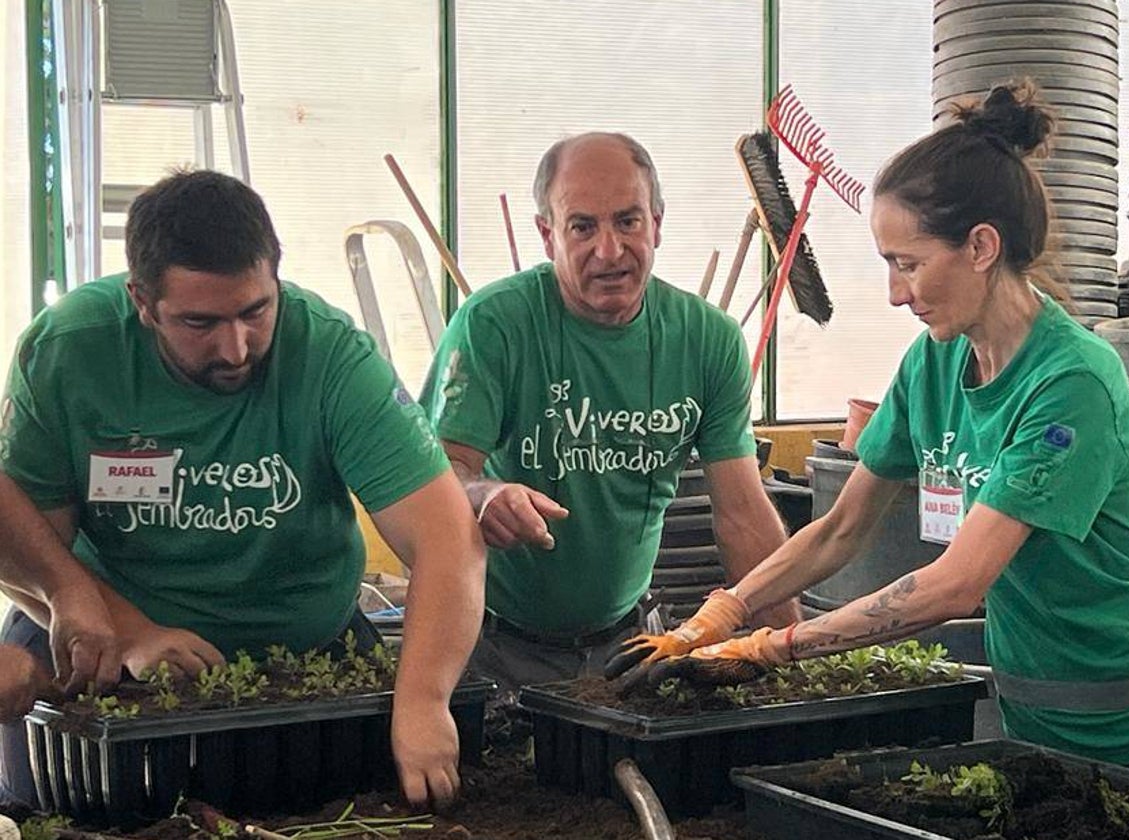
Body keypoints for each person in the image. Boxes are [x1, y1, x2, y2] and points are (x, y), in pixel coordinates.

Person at [608, 83, 1129, 783]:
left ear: (981, 246)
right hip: (1033, 727)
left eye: (908, 264)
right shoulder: (935, 361)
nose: (895, 293)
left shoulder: (1071, 383)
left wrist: (771, 646)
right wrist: (720, 613)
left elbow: (954, 585)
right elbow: (838, 530)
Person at [0, 170, 485, 809]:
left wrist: (422, 701)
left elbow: (449, 540)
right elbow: (20, 538)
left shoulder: (331, 356)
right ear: (142, 301)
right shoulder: (71, 350)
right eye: (199, 323)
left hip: (306, 659)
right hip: (109, 666)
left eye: (255, 311)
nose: (235, 348)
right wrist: (127, 629)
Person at [419, 131, 800, 691]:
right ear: (547, 235)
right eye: (582, 227)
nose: (609, 250)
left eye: (628, 222)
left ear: (658, 223)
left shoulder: (707, 340)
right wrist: (482, 495)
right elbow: (438, 473)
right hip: (490, 643)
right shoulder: (493, 325)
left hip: (630, 640)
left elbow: (743, 513)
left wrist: (790, 651)